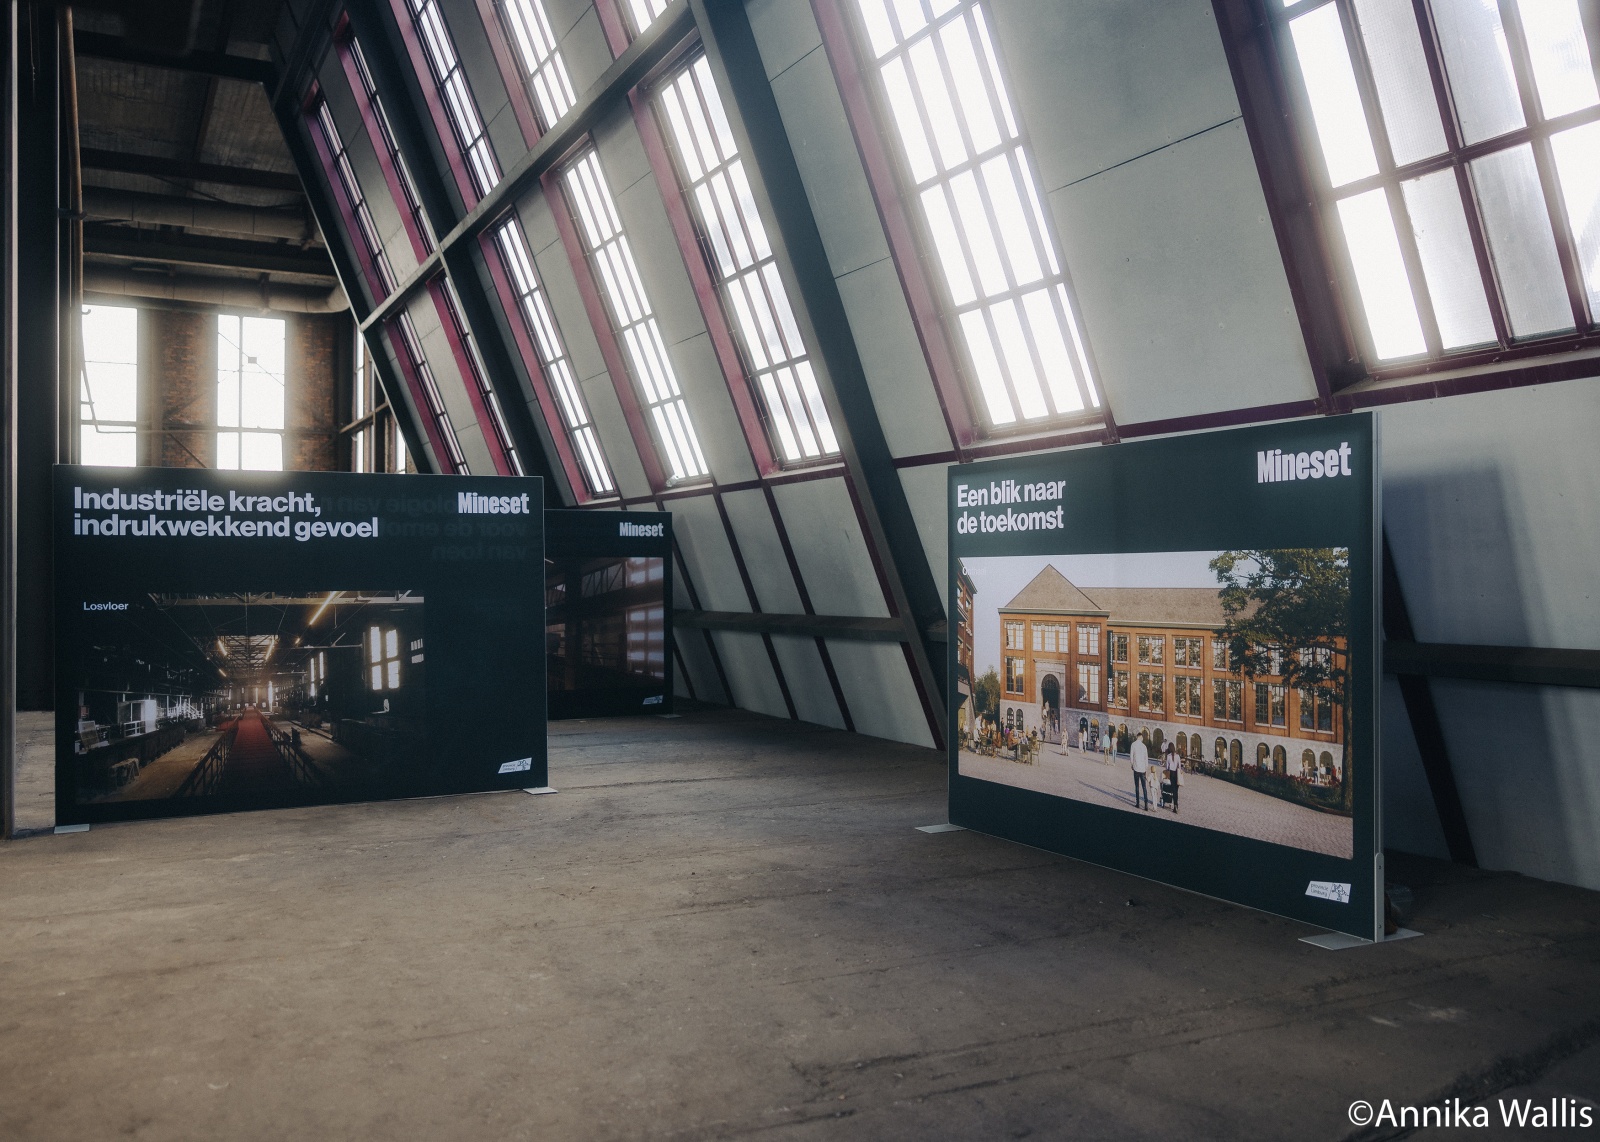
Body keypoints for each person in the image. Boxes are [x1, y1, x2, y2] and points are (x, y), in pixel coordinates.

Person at [1130, 733, 1150, 810]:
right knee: (1144, 787)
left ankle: (1137, 803)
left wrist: (1132, 764)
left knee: (1137, 786)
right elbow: (1146, 758)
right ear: (1141, 737)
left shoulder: (1133, 745)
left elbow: (1131, 756)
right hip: (1143, 769)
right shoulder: (1144, 746)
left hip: (1136, 768)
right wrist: (1146, 767)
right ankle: (1146, 804)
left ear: (1136, 737)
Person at [1163, 741, 1181, 813]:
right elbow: (1179, 766)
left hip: (1171, 773)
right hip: (1177, 773)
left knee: (1172, 790)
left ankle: (1173, 804)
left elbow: (1167, 767)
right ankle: (1176, 805)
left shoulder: (1168, 756)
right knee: (1176, 791)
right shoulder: (1178, 756)